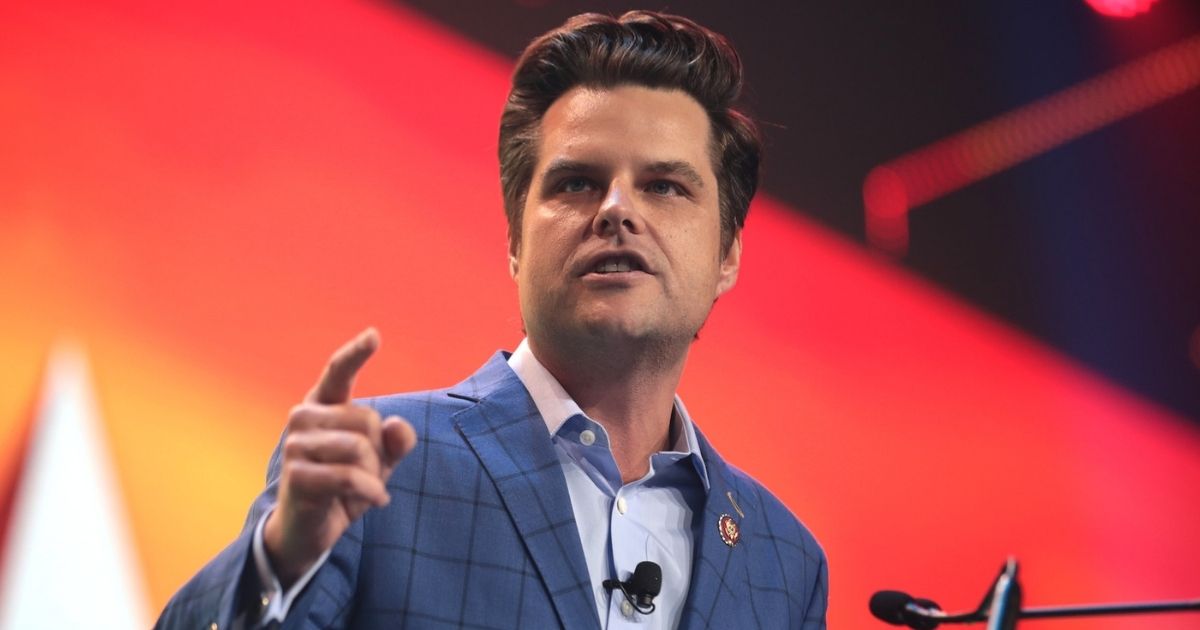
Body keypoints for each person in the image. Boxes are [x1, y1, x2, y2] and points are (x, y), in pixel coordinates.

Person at [156, 10, 827, 630]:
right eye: (576, 182)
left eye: (664, 186)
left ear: (727, 255)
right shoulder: (373, 469)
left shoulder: (785, 562)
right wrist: (277, 564)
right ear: (514, 241)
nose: (617, 209)